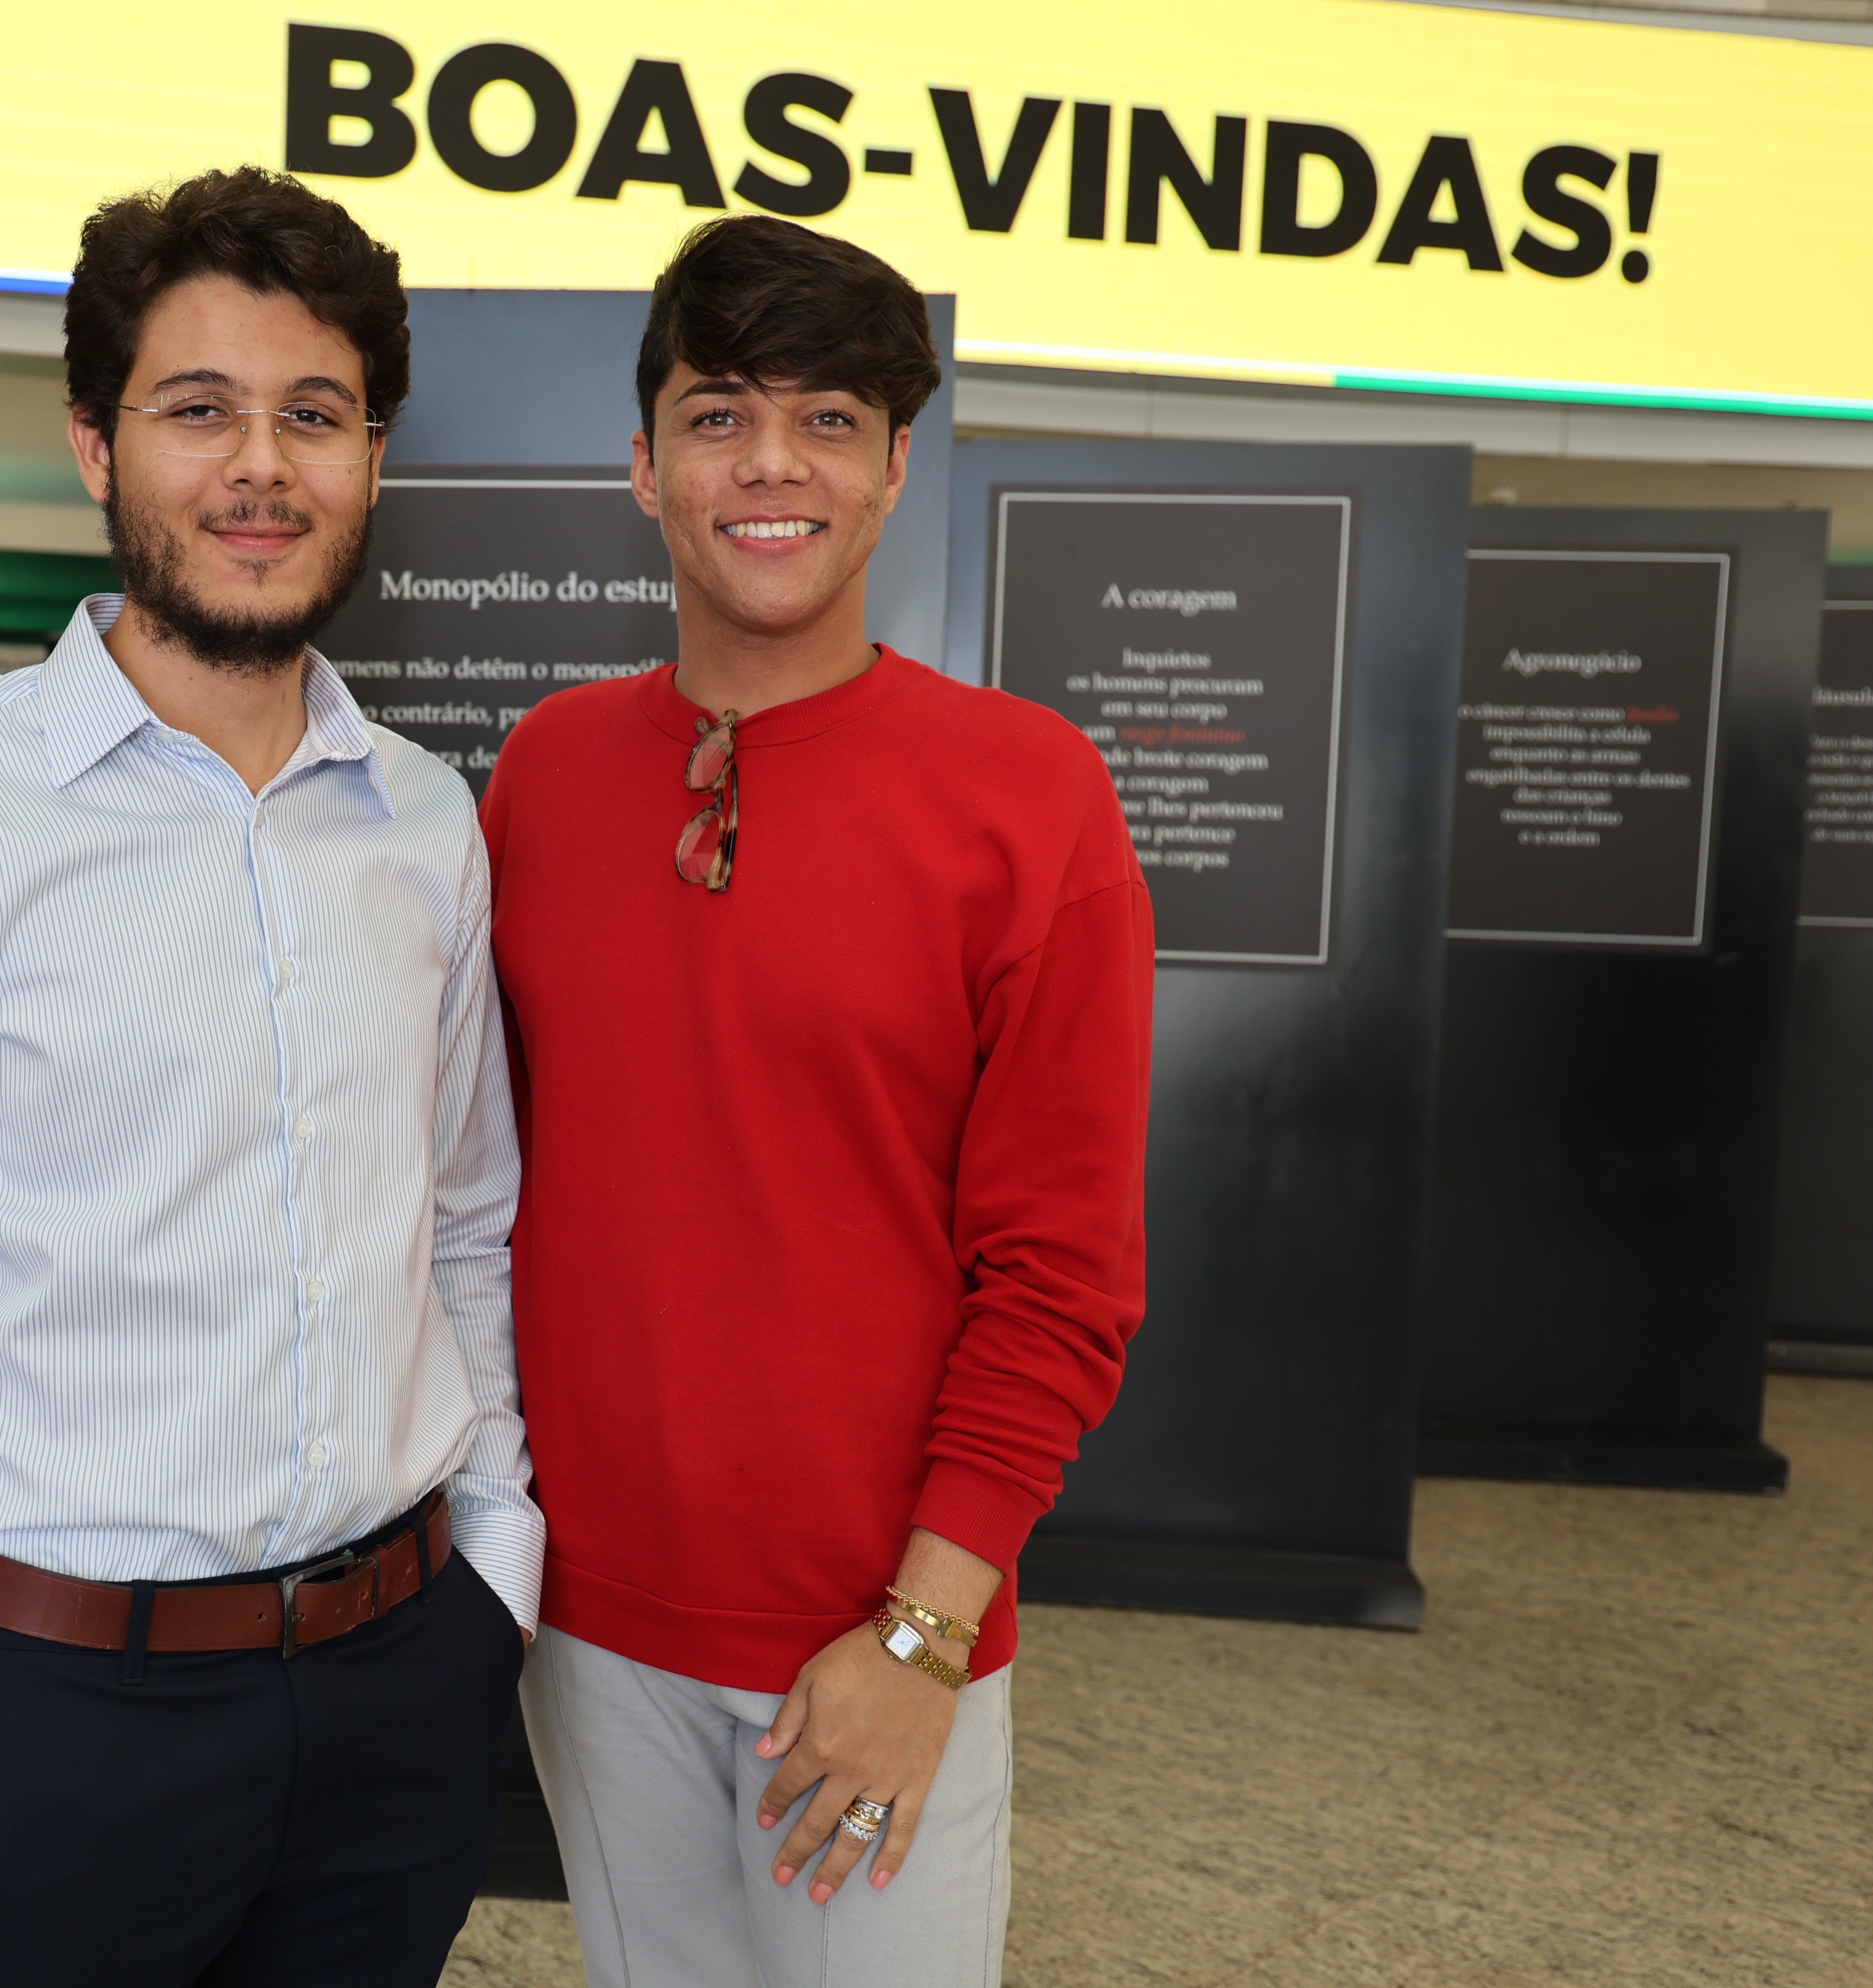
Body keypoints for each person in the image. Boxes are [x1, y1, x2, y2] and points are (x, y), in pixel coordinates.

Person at [0, 166, 539, 1987]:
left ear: (372, 457)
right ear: (98, 445)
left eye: (314, 414)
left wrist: (494, 1573)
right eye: (200, 409)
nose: (262, 466)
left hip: (400, 1689)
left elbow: (465, 1225)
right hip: (58, 1724)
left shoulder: (425, 821)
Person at [478, 215, 1154, 1986]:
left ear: (894, 467)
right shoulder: (544, 775)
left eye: (828, 419)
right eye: (718, 414)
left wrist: (925, 1634)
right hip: (589, 1625)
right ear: (645, 467)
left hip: (874, 1632)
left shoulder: (1030, 796)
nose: (771, 462)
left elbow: (1063, 1273)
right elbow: (488, 1193)